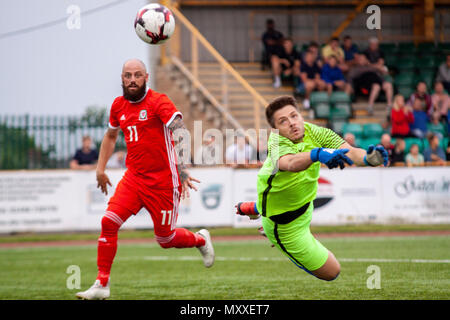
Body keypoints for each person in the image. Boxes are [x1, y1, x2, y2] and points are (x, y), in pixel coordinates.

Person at [76, 59, 214, 300]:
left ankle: (200, 239)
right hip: (134, 179)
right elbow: (110, 136)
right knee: (108, 222)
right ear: (121, 78)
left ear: (146, 77)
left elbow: (180, 130)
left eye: (137, 75)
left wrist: (181, 170)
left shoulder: (158, 101)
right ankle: (101, 284)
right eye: (127, 75)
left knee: (165, 239)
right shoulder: (118, 106)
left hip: (163, 181)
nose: (132, 80)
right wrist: (100, 169)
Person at [235, 96, 388, 281]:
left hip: (304, 205)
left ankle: (255, 207)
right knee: (332, 272)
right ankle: (266, 224)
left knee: (279, 190)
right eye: (283, 121)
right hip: (285, 226)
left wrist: (368, 159)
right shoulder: (275, 143)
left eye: (294, 116)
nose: (292, 123)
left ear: (301, 115)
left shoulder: (313, 131)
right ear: (275, 129)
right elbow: (291, 163)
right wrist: (317, 154)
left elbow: (349, 151)